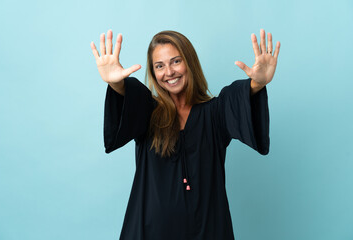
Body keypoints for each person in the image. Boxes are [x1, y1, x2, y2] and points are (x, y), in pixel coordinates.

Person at [90, 29, 280, 240]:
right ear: (153, 73)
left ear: (189, 62)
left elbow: (236, 99)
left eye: (176, 61)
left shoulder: (215, 113)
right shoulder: (148, 112)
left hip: (207, 231)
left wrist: (258, 83)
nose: (169, 72)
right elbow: (130, 96)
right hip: (149, 231)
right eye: (159, 66)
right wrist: (115, 83)